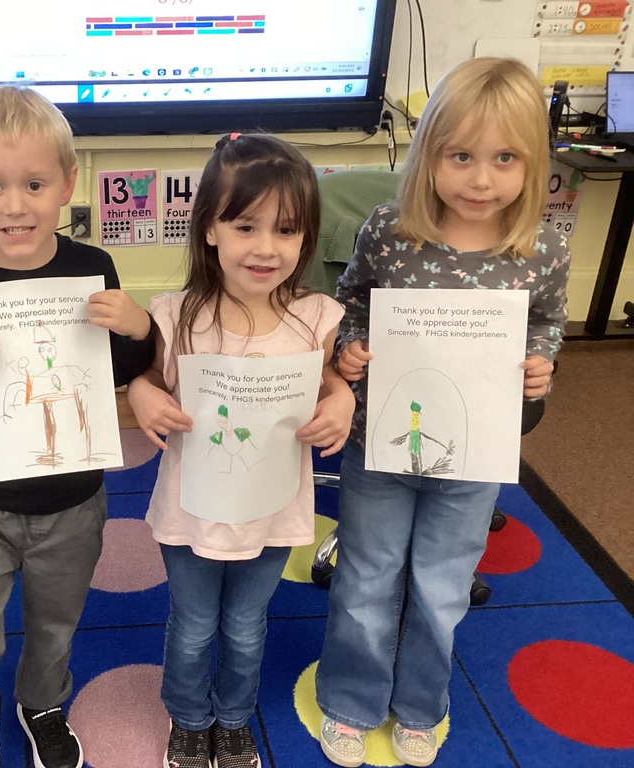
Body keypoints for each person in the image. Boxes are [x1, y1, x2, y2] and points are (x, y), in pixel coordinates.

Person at [313, 57, 570, 768]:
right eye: (461, 156)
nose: (481, 179)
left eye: (505, 159)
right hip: (381, 443)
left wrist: (542, 362)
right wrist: (351, 346)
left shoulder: (539, 248)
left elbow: (547, 322)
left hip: (473, 452)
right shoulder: (393, 229)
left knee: (441, 585)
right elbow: (353, 302)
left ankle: (423, 703)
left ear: (532, 164)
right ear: (430, 153)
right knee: (367, 576)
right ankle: (349, 699)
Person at [0, 84, 155, 768]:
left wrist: (139, 329)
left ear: (67, 185)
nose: (15, 205)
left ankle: (41, 703)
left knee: (54, 627)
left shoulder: (92, 267)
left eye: (34, 184)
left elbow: (122, 365)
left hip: (71, 500)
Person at [125, 133, 355, 768]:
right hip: (191, 509)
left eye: (286, 230)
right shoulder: (178, 316)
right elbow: (145, 381)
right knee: (194, 626)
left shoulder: (317, 317)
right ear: (209, 230)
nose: (265, 247)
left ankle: (232, 718)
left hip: (272, 509)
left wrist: (342, 401)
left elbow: (331, 380)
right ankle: (190, 719)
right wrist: (142, 396)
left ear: (306, 239)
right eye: (245, 225)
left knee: (247, 628)